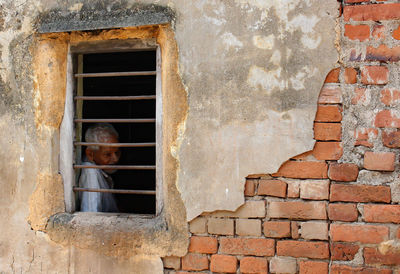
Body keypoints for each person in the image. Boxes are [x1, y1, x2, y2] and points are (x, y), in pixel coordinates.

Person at [79, 123, 121, 212]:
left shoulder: (100, 170)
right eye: (107, 154)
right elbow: (90, 216)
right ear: (90, 154)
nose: (115, 159)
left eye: (117, 152)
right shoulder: (90, 173)